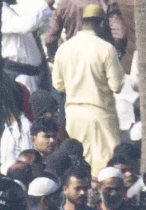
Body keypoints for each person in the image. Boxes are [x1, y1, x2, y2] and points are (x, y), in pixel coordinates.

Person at [49, 5, 125, 170]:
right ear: (102, 23)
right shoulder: (106, 48)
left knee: (78, 164)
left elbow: (58, 85)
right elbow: (116, 85)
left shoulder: (64, 49)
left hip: (73, 115)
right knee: (106, 165)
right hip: (101, 115)